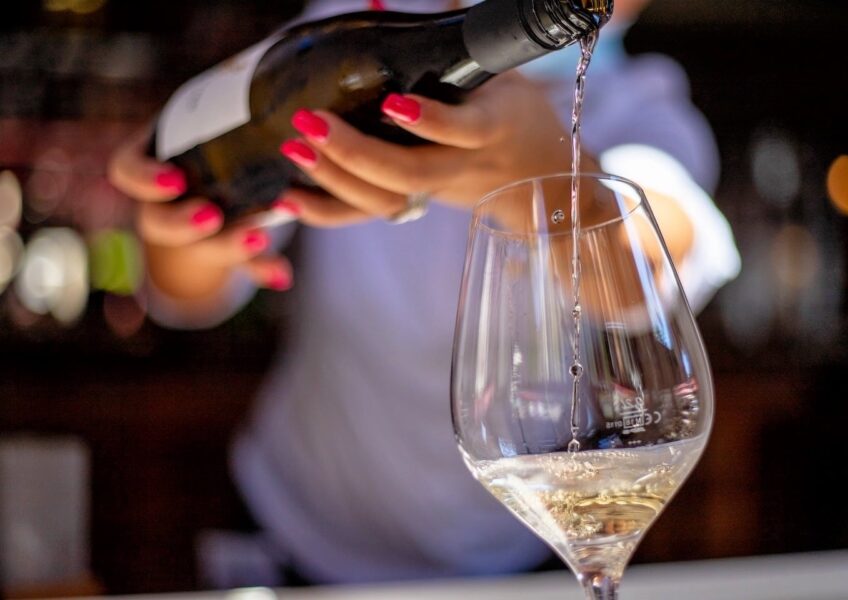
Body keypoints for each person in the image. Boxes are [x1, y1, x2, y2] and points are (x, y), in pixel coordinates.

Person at [109, 0, 740, 586]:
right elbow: (185, 295)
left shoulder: (640, 102)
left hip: (511, 560)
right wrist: (184, 221)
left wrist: (547, 180)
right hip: (297, 537)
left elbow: (652, 258)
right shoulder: (370, 28)